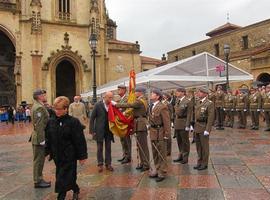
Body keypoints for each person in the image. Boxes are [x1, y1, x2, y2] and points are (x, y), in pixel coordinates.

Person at [45, 96, 88, 200]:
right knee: (65, 175)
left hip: (69, 154)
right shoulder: (51, 122)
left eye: (60, 109)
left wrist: (82, 156)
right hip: (57, 155)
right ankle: (75, 188)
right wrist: (47, 151)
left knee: (63, 175)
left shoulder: (73, 122)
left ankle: (61, 195)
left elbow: (79, 140)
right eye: (56, 109)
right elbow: (48, 138)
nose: (57, 111)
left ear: (66, 109)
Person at [115, 87, 150, 172]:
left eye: (136, 92)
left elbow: (130, 105)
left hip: (140, 124)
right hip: (139, 123)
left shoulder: (139, 101)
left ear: (141, 92)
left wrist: (116, 104)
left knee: (143, 146)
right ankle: (142, 163)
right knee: (140, 145)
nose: (135, 93)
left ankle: (146, 164)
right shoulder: (143, 100)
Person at [30, 89, 51, 188]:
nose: (45, 96)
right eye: (43, 94)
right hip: (38, 138)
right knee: (38, 160)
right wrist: (42, 140)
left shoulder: (38, 105)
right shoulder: (39, 108)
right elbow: (39, 126)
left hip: (37, 137)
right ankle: (38, 181)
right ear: (39, 96)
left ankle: (39, 178)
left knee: (39, 160)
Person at [148, 89, 170, 182]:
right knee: (155, 152)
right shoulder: (151, 105)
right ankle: (156, 170)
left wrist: (166, 134)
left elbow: (166, 121)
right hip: (153, 131)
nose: (151, 95)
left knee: (161, 153)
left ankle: (162, 172)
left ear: (157, 96)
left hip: (160, 132)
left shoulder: (162, 107)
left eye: (153, 94)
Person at [90, 91, 114, 172]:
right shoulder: (98, 105)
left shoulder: (112, 105)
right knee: (99, 148)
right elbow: (92, 118)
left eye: (112, 97)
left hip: (109, 130)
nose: (111, 99)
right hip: (99, 130)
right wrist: (92, 130)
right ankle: (100, 164)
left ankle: (108, 164)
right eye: (109, 97)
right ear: (105, 97)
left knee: (108, 147)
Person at [194, 88, 215, 170]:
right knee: (198, 146)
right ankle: (199, 161)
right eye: (198, 92)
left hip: (204, 126)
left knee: (204, 147)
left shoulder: (209, 103)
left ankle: (204, 163)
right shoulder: (198, 102)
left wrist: (208, 129)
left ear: (205, 94)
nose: (198, 93)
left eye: (200, 92)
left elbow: (210, 117)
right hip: (197, 126)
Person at [173, 87, 193, 164]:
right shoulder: (177, 100)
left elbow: (189, 114)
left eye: (177, 91)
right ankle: (180, 155)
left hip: (184, 122)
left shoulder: (188, 101)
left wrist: (188, 125)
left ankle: (185, 157)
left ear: (183, 92)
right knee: (179, 141)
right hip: (177, 122)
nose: (176, 93)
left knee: (185, 141)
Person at [117, 84, 132, 164]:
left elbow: (129, 110)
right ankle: (124, 155)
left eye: (119, 89)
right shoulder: (121, 99)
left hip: (125, 123)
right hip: (120, 123)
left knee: (126, 140)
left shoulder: (126, 99)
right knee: (122, 140)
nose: (118, 91)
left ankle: (128, 156)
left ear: (124, 90)